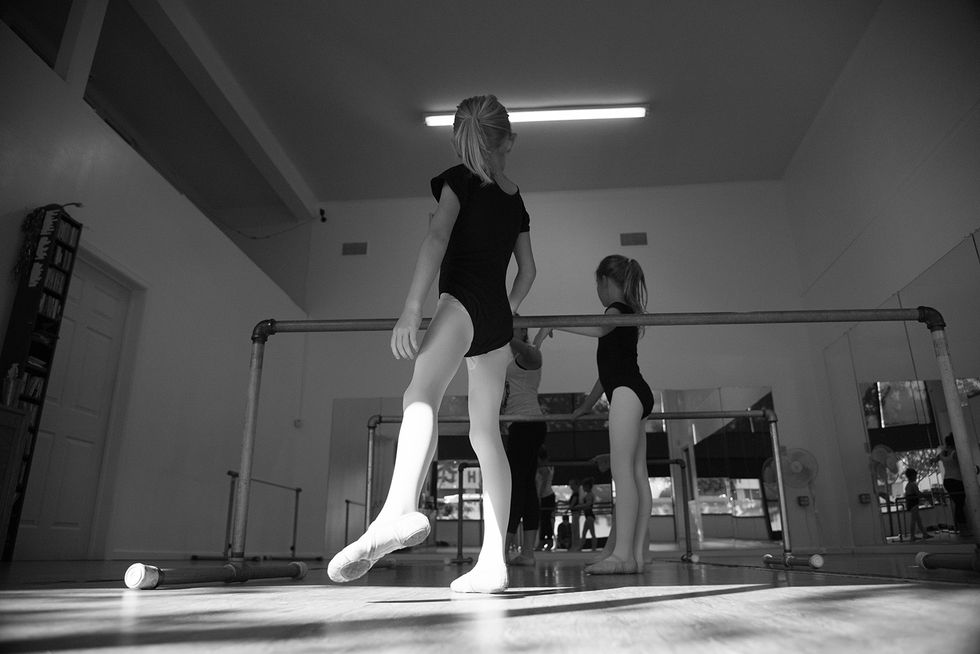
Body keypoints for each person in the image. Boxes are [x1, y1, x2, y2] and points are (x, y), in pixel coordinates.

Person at [328, 95, 536, 594]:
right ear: (508, 140)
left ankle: (398, 510)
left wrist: (412, 308)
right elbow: (528, 271)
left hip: (460, 301)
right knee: (486, 434)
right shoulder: (515, 199)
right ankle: (493, 561)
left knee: (421, 394)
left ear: (460, 142)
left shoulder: (457, 181)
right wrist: (508, 308)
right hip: (496, 319)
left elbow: (437, 239)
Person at [562, 254, 653, 574]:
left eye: (596, 285)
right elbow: (607, 373)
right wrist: (587, 406)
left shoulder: (615, 311)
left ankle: (624, 556)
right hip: (636, 392)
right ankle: (635, 554)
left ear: (604, 281)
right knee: (637, 474)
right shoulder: (626, 314)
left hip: (627, 393)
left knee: (623, 473)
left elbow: (601, 329)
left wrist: (555, 323)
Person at [503, 325, 550, 566]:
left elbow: (533, 353)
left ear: (523, 333)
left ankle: (503, 551)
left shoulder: (529, 356)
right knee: (527, 488)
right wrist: (540, 335)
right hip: (523, 425)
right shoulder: (519, 358)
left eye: (515, 327)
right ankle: (528, 553)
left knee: (516, 487)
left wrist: (505, 333)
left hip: (526, 425)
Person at [931, 434, 968, 535]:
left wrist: (933, 460)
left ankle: (960, 528)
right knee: (960, 504)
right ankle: (962, 528)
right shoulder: (955, 453)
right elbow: (964, 463)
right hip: (957, 480)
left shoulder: (942, 453)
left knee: (958, 504)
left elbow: (934, 460)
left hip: (947, 481)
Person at [535, 447, 556, 551]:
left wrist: (539, 495)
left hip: (545, 496)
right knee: (545, 520)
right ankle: (545, 541)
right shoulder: (549, 466)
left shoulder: (543, 468)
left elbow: (543, 483)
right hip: (548, 495)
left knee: (545, 520)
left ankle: (546, 541)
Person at [903, 468, 932, 541]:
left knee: (918, 520)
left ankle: (924, 534)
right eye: (915, 475)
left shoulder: (908, 485)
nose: (916, 477)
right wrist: (927, 495)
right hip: (913, 504)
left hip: (911, 504)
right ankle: (912, 536)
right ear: (912, 476)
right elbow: (918, 493)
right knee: (914, 520)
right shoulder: (912, 484)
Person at [580, 478, 598, 551]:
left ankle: (593, 548)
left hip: (589, 516)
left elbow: (588, 504)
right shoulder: (588, 494)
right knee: (584, 533)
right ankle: (581, 547)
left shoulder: (589, 495)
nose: (583, 488)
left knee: (591, 533)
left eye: (584, 487)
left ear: (587, 487)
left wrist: (579, 506)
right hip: (588, 516)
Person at [567, 478, 583, 551]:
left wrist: (568, 509)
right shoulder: (575, 493)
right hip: (575, 513)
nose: (571, 486)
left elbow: (572, 505)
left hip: (576, 513)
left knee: (575, 530)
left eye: (572, 484)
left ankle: (576, 546)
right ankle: (575, 545)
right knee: (575, 529)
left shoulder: (576, 494)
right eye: (570, 485)